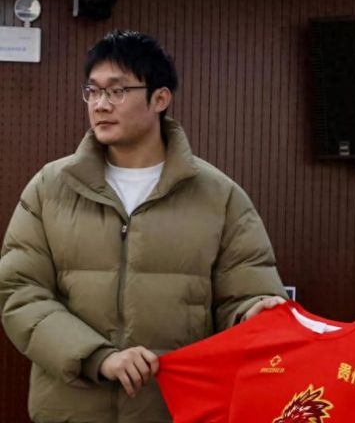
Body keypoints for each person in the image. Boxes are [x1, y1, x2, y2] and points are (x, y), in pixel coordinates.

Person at [0, 30, 287, 423]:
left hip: (175, 409)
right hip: (71, 409)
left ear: (160, 99)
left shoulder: (219, 197)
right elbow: (19, 293)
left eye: (117, 91)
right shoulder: (51, 188)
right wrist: (98, 357)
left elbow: (245, 298)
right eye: (93, 91)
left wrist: (254, 314)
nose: (100, 104)